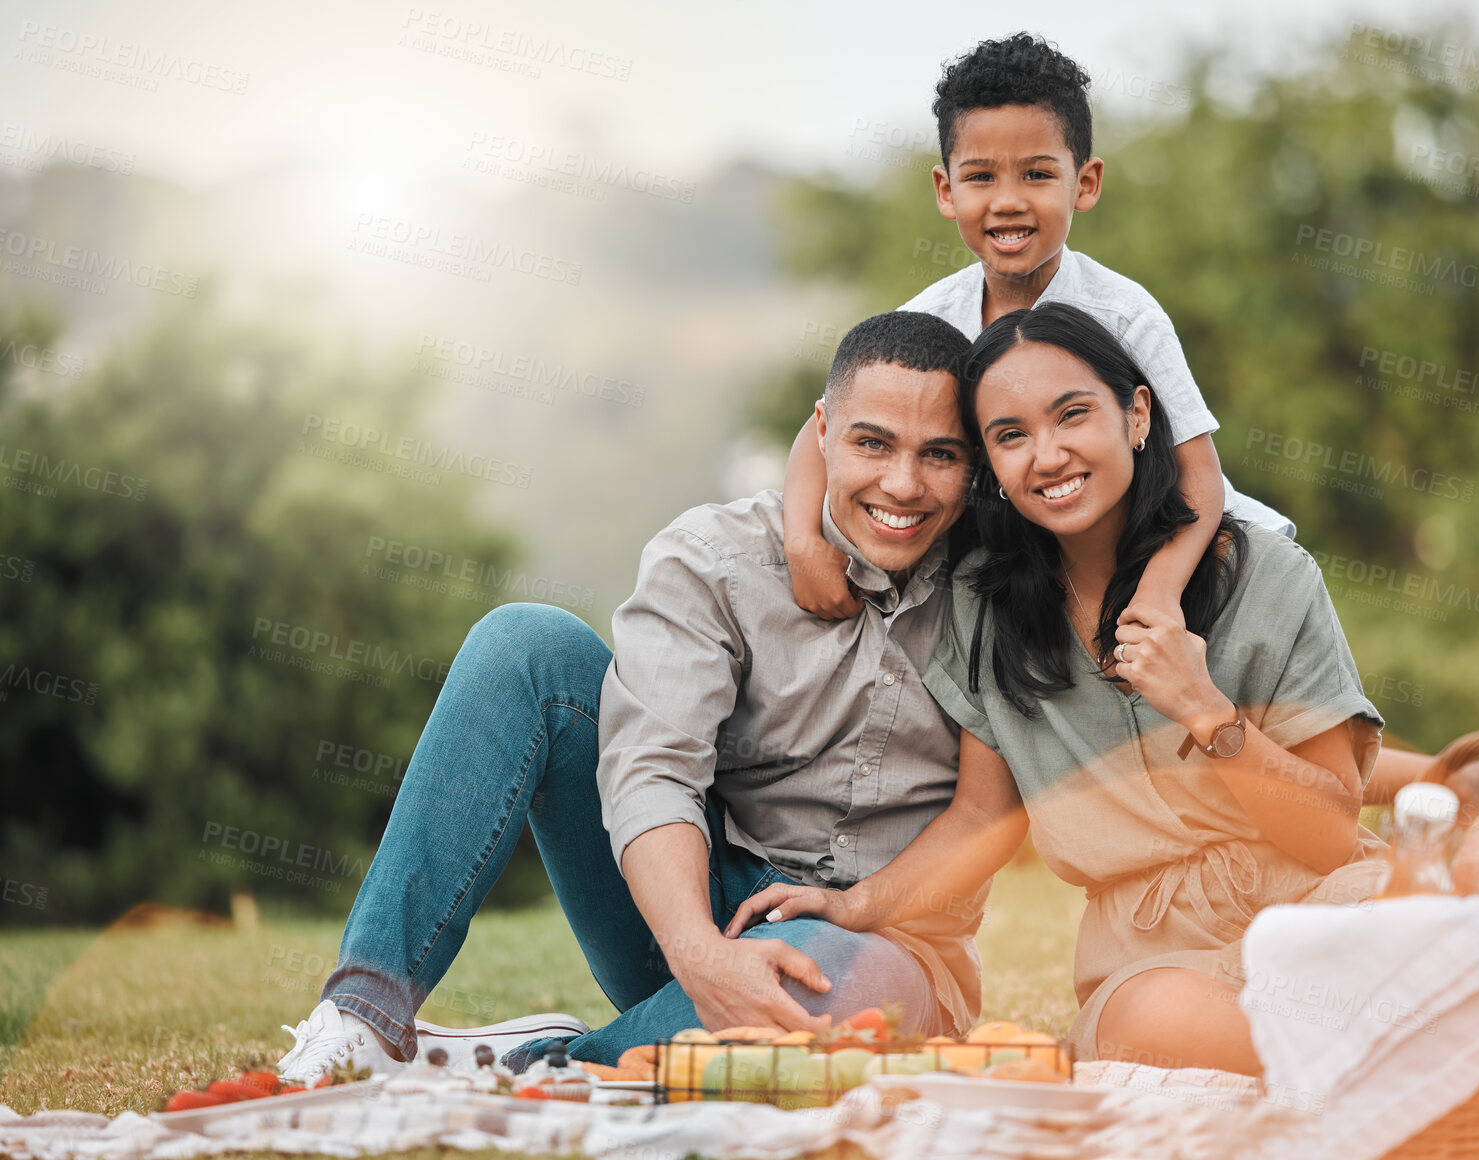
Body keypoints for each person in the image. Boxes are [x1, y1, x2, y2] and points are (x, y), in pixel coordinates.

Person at [725, 303, 1479, 1076]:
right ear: (988, 464)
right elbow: (984, 816)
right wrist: (856, 907)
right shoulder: (982, 606)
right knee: (1148, 1018)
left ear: (1136, 415)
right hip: (1153, 960)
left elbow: (1331, 835)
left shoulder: (1266, 577)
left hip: (1320, 908)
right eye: (1009, 436)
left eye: (1072, 416)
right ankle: (1401, 1067)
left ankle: (1385, 1058)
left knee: (1412, 945)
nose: (1048, 455)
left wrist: (1206, 711)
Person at [276, 311, 986, 1082]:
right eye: (872, 443)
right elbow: (653, 770)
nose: (903, 484)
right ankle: (363, 1019)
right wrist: (698, 950)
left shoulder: (1002, 595)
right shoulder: (715, 559)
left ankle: (548, 1069)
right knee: (525, 646)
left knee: (842, 981)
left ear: (974, 466)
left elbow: (987, 816)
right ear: (821, 433)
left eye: (939, 456)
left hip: (883, 943)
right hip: (690, 905)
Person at [780, 31, 1292, 650]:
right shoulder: (934, 317)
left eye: (1038, 174)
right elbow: (825, 429)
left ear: (1086, 182)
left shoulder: (1125, 316)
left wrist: (1159, 590)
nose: (1008, 202)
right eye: (981, 176)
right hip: (1040, 569)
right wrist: (803, 541)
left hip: (1184, 553)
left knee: (1265, 709)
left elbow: (1199, 478)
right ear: (946, 191)